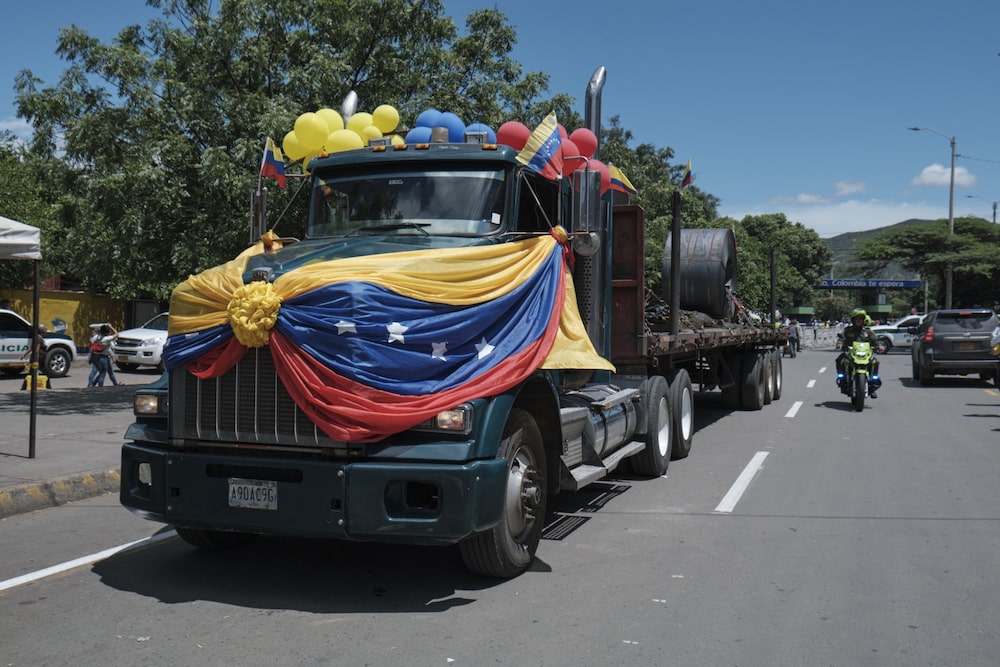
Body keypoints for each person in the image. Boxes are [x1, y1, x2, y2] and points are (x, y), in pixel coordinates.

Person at [835, 308, 881, 398]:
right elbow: (841, 338)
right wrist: (839, 344)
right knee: (840, 361)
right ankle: (843, 380)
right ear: (853, 320)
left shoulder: (868, 331)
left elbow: (875, 340)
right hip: (850, 353)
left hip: (865, 354)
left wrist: (879, 345)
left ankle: (873, 385)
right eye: (857, 319)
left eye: (861, 319)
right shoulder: (848, 330)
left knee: (875, 362)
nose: (859, 320)